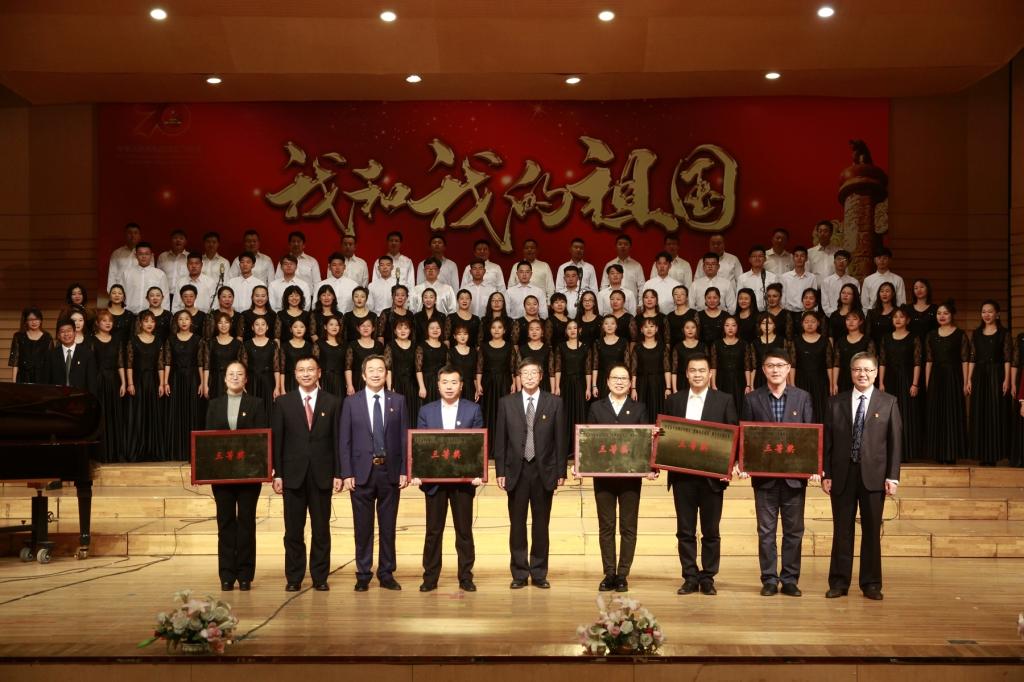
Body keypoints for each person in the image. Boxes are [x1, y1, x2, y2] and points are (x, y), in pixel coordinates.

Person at [822, 352, 902, 600]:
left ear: (876, 373)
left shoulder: (888, 402)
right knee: (841, 531)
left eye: (868, 370)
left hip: (874, 477)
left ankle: (871, 584)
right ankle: (839, 582)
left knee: (871, 532)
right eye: (857, 369)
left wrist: (892, 476)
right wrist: (826, 473)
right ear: (851, 372)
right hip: (842, 475)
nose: (862, 374)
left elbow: (895, 443)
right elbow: (827, 442)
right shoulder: (835, 402)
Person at [740, 350, 815, 597]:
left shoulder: (802, 397)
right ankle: (770, 579)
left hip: (794, 479)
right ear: (763, 369)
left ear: (788, 368)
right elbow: (747, 437)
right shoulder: (752, 399)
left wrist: (812, 467)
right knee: (766, 532)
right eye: (770, 365)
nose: (775, 370)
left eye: (780, 365)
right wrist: (745, 464)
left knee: (794, 532)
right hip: (764, 479)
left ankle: (790, 579)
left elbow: (809, 436)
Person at [663, 353, 737, 595]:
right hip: (682, 478)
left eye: (702, 370)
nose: (697, 374)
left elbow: (732, 436)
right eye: (693, 370)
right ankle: (689, 576)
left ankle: (708, 577)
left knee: (711, 531)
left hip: (712, 479)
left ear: (710, 374)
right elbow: (665, 435)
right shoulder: (674, 400)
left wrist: (729, 467)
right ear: (686, 374)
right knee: (685, 531)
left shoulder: (724, 400)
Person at [494, 358, 568, 589]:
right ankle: (519, 573)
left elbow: (560, 439)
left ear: (541, 376)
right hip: (516, 471)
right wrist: (500, 470)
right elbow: (500, 439)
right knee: (517, 524)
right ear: (519, 376)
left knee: (541, 524)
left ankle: (538, 573)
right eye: (524, 373)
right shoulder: (506, 403)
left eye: (533, 373)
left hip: (543, 470)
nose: (529, 377)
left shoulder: (554, 402)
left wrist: (561, 470)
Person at [583, 364, 656, 592]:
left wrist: (650, 466)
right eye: (615, 378)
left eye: (624, 378)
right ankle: (609, 574)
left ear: (630, 383)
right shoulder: (596, 407)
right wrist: (582, 464)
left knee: (628, 527)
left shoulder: (639, 408)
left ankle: (623, 574)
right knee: (606, 527)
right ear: (607, 381)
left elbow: (645, 442)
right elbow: (589, 441)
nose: (619, 382)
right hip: (603, 478)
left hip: (630, 478)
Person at [272, 356, 342, 591]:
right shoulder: (284, 402)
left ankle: (320, 577)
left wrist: (338, 473)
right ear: (295, 374)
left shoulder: (332, 402)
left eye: (310, 369)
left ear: (319, 372)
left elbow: (337, 440)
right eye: (301, 370)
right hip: (292, 476)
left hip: (322, 475)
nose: (306, 374)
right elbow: (278, 441)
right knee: (293, 531)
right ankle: (294, 578)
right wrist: (278, 474)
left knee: (321, 530)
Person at [340, 354, 409, 591]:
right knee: (363, 528)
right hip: (361, 473)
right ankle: (363, 573)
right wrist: (346, 473)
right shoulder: (351, 402)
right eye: (371, 370)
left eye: (381, 369)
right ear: (363, 375)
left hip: (390, 471)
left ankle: (386, 573)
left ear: (386, 374)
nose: (376, 373)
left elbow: (404, 438)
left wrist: (404, 469)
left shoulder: (398, 400)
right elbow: (344, 440)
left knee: (388, 527)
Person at [414, 365, 485, 592]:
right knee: (433, 532)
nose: (449, 387)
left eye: (454, 382)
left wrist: (478, 473)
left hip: (463, 483)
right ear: (438, 385)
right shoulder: (427, 411)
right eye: (445, 382)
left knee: (464, 532)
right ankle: (430, 577)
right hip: (435, 483)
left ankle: (465, 577)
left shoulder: (473, 410)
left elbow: (477, 446)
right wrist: (418, 473)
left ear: (461, 385)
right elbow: (421, 447)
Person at [206, 362, 268, 591]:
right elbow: (208, 440)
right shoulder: (214, 405)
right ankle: (226, 574)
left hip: (248, 475)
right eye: (230, 374)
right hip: (222, 475)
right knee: (225, 523)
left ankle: (245, 574)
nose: (235, 377)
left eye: (239, 374)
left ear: (245, 379)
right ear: (224, 379)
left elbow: (261, 438)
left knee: (246, 523)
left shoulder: (256, 404)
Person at [924, 302, 970, 464]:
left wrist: (966, 382)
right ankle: (938, 453)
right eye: (939, 313)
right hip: (936, 377)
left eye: (945, 313)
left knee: (952, 413)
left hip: (953, 377)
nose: (942, 316)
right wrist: (927, 382)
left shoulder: (960, 334)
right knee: (937, 414)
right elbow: (929, 361)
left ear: (952, 315)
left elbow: (965, 360)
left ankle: (952, 454)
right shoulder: (931, 335)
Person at [968, 300, 1011, 466]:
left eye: (990, 311)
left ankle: (993, 455)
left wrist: (1007, 379)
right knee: (980, 413)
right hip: (979, 375)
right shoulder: (976, 333)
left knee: (994, 413)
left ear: (997, 314)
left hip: (997, 375)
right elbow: (972, 357)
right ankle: (981, 455)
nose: (986, 314)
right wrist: (969, 379)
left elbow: (1007, 358)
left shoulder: (1004, 333)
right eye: (984, 311)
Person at [878, 306, 923, 461]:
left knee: (906, 414)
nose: (898, 319)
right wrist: (881, 382)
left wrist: (915, 384)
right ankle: (890, 452)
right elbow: (882, 362)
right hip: (889, 379)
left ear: (908, 320)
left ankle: (906, 452)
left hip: (907, 379)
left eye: (901, 317)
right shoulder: (886, 338)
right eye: (895, 317)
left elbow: (917, 362)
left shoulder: (914, 338)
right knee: (889, 415)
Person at [163, 310, 204, 460]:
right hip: (176, 379)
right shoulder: (171, 339)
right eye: (181, 319)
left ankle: (193, 451)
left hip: (193, 379)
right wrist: (165, 381)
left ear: (191, 321)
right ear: (177, 322)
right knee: (177, 412)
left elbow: (201, 363)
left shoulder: (198, 339)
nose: (184, 322)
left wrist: (202, 382)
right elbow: (167, 362)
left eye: (187, 319)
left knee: (192, 412)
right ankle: (177, 451)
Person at [793, 310, 834, 422]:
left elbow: (829, 364)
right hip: (801, 380)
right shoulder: (796, 341)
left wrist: (831, 383)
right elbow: (792, 364)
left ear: (818, 323)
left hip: (820, 381)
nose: (809, 324)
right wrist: (791, 383)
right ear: (802, 324)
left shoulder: (825, 341)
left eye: (813, 321)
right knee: (801, 409)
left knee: (819, 409)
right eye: (806, 322)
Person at [118, 242, 168, 314]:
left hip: (152, 315)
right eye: (140, 254)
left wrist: (163, 315)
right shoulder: (127, 274)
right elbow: (120, 295)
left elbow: (165, 298)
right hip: (130, 314)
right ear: (136, 255)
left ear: (151, 255)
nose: (144, 256)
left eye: (147, 254)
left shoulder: (160, 274)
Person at [8, 307, 52, 384]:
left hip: (42, 378)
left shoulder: (47, 337)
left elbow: (50, 362)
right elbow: (15, 362)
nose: (34, 322)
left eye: (36, 319)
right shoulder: (19, 337)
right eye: (31, 319)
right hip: (23, 377)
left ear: (41, 320)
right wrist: (14, 383)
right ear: (26, 321)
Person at [600, 234, 645, 303]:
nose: (623, 246)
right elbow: (604, 285)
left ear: (630, 247)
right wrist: (605, 302)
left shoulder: (637, 266)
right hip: (613, 303)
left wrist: (640, 304)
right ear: (616, 246)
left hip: (631, 303)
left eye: (626, 244)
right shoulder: (609, 265)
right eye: (620, 244)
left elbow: (642, 286)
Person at [736, 244, 778, 311]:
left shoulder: (773, 277)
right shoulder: (742, 278)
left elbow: (776, 298)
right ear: (749, 259)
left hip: (768, 312)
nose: (757, 259)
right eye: (754, 256)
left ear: (765, 259)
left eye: (760, 256)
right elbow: (739, 298)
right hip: (749, 312)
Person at [779, 246, 820, 312]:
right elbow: (782, 299)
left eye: (802, 256)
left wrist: (813, 313)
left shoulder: (812, 277)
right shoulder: (785, 277)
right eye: (796, 256)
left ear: (806, 258)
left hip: (806, 312)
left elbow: (815, 298)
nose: (799, 258)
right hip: (789, 312)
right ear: (793, 258)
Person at [820, 250, 859, 317]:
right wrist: (835, 316)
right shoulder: (826, 281)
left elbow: (856, 301)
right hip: (831, 317)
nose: (841, 262)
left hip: (850, 317)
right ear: (834, 262)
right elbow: (825, 304)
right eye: (839, 259)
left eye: (844, 260)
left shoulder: (854, 282)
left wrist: (848, 316)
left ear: (848, 263)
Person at [107, 222, 142, 294]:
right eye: (130, 233)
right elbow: (112, 275)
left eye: (135, 233)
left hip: (139, 292)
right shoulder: (116, 254)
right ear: (125, 235)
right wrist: (111, 292)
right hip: (120, 293)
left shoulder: (146, 254)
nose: (132, 236)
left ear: (139, 236)